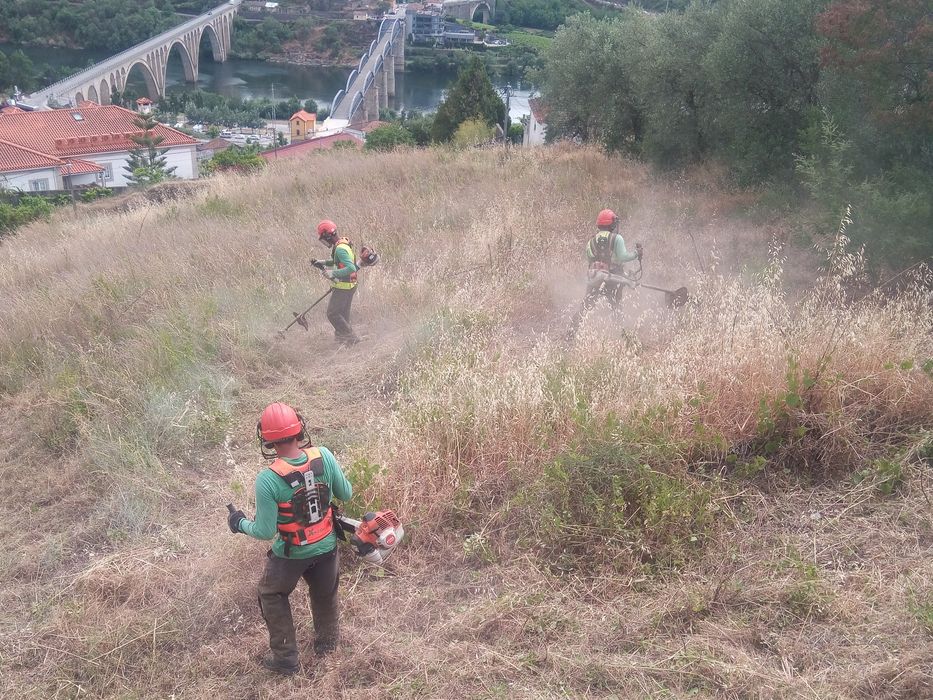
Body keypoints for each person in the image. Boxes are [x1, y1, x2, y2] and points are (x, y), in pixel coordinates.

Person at [227, 402, 353, 675]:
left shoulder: (268, 480)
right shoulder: (325, 456)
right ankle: (328, 644)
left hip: (291, 554)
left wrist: (239, 523)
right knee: (324, 594)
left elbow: (263, 531)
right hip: (327, 546)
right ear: (299, 429)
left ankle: (285, 658)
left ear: (268, 441)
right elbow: (346, 493)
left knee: (271, 593)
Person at [568, 208, 643, 338]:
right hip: (613, 278)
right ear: (612, 224)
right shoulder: (617, 238)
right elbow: (623, 257)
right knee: (615, 306)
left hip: (595, 278)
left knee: (586, 305)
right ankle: (622, 336)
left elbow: (590, 259)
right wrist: (637, 254)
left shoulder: (590, 242)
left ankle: (571, 333)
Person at [311, 220, 360, 346]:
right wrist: (320, 262)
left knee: (332, 314)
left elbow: (351, 268)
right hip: (350, 285)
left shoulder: (340, 249)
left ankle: (352, 339)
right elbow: (335, 262)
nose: (323, 241)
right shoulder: (340, 245)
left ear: (328, 235)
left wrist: (333, 274)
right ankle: (343, 342)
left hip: (344, 287)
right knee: (343, 315)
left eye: (323, 238)